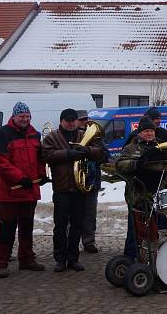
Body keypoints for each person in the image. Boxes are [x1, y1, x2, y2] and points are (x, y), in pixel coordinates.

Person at [42, 108, 106, 272]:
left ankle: (73, 258)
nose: (71, 124)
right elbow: (47, 155)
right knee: (60, 226)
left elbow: (101, 153)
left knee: (77, 225)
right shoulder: (52, 137)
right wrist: (69, 154)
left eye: (73, 121)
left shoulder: (82, 135)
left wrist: (87, 150)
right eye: (68, 121)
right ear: (62, 121)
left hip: (80, 189)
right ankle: (60, 259)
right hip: (62, 188)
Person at [0, 102, 47, 278]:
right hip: (9, 191)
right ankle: (1, 262)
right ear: (14, 116)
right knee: (6, 228)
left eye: (28, 116)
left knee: (27, 227)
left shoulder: (35, 135)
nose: (25, 119)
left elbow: (39, 159)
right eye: (22, 116)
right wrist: (19, 178)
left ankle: (26, 258)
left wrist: (41, 175)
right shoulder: (2, 134)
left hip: (29, 191)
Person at [115, 117, 167, 260]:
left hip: (158, 197)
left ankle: (160, 261)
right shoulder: (131, 148)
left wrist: (165, 159)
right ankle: (129, 260)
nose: (149, 134)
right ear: (139, 133)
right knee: (134, 232)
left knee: (159, 230)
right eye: (146, 131)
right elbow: (120, 165)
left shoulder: (162, 146)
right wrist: (137, 164)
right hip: (137, 197)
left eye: (151, 131)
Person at [75, 111, 101, 254]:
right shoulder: (72, 135)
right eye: (81, 120)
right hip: (75, 181)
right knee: (73, 213)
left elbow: (104, 154)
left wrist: (88, 149)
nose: (85, 122)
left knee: (90, 214)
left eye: (86, 119)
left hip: (92, 180)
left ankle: (89, 241)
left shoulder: (95, 136)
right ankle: (71, 241)